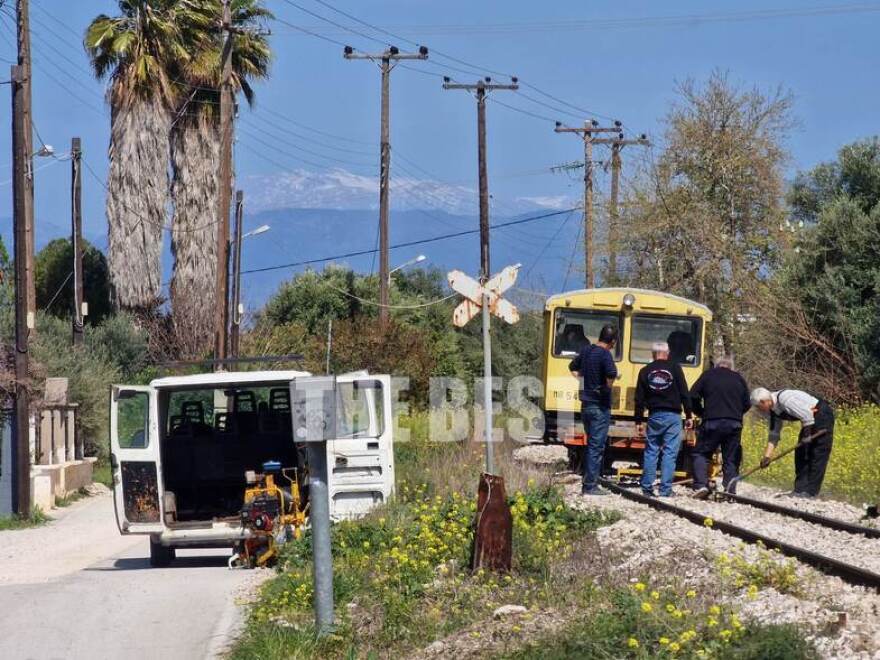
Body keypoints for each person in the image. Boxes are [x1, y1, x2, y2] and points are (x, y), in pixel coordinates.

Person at [750, 387, 835, 498]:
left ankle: (810, 492)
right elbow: (774, 434)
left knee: (817, 453)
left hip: (821, 414)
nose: (758, 409)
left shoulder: (785, 399)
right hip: (810, 421)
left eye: (758, 406)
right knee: (801, 454)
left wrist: (807, 436)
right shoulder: (774, 410)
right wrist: (767, 457)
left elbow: (807, 415)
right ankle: (799, 490)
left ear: (763, 401)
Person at [634, 341, 693, 497]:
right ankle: (665, 490)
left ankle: (647, 488)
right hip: (673, 416)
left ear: (653, 354)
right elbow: (684, 392)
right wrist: (689, 415)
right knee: (670, 452)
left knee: (651, 451)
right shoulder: (675, 368)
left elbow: (639, 399)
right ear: (667, 353)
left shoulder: (645, 371)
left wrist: (638, 421)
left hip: (654, 415)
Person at [689, 356, 751, 497]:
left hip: (711, 421)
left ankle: (700, 485)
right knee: (731, 458)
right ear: (731, 367)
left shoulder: (708, 376)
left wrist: (701, 412)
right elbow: (747, 403)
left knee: (701, 453)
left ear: (716, 366)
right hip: (734, 423)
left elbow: (693, 396)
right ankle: (730, 490)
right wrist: (736, 413)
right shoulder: (739, 378)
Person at [569, 324, 618, 496]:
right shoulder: (605, 354)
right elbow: (611, 374)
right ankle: (590, 485)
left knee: (591, 444)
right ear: (613, 341)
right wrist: (606, 388)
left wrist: (583, 382)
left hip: (586, 405)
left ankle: (589, 480)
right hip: (599, 406)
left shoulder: (586, 351)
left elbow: (572, 367)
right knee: (596, 447)